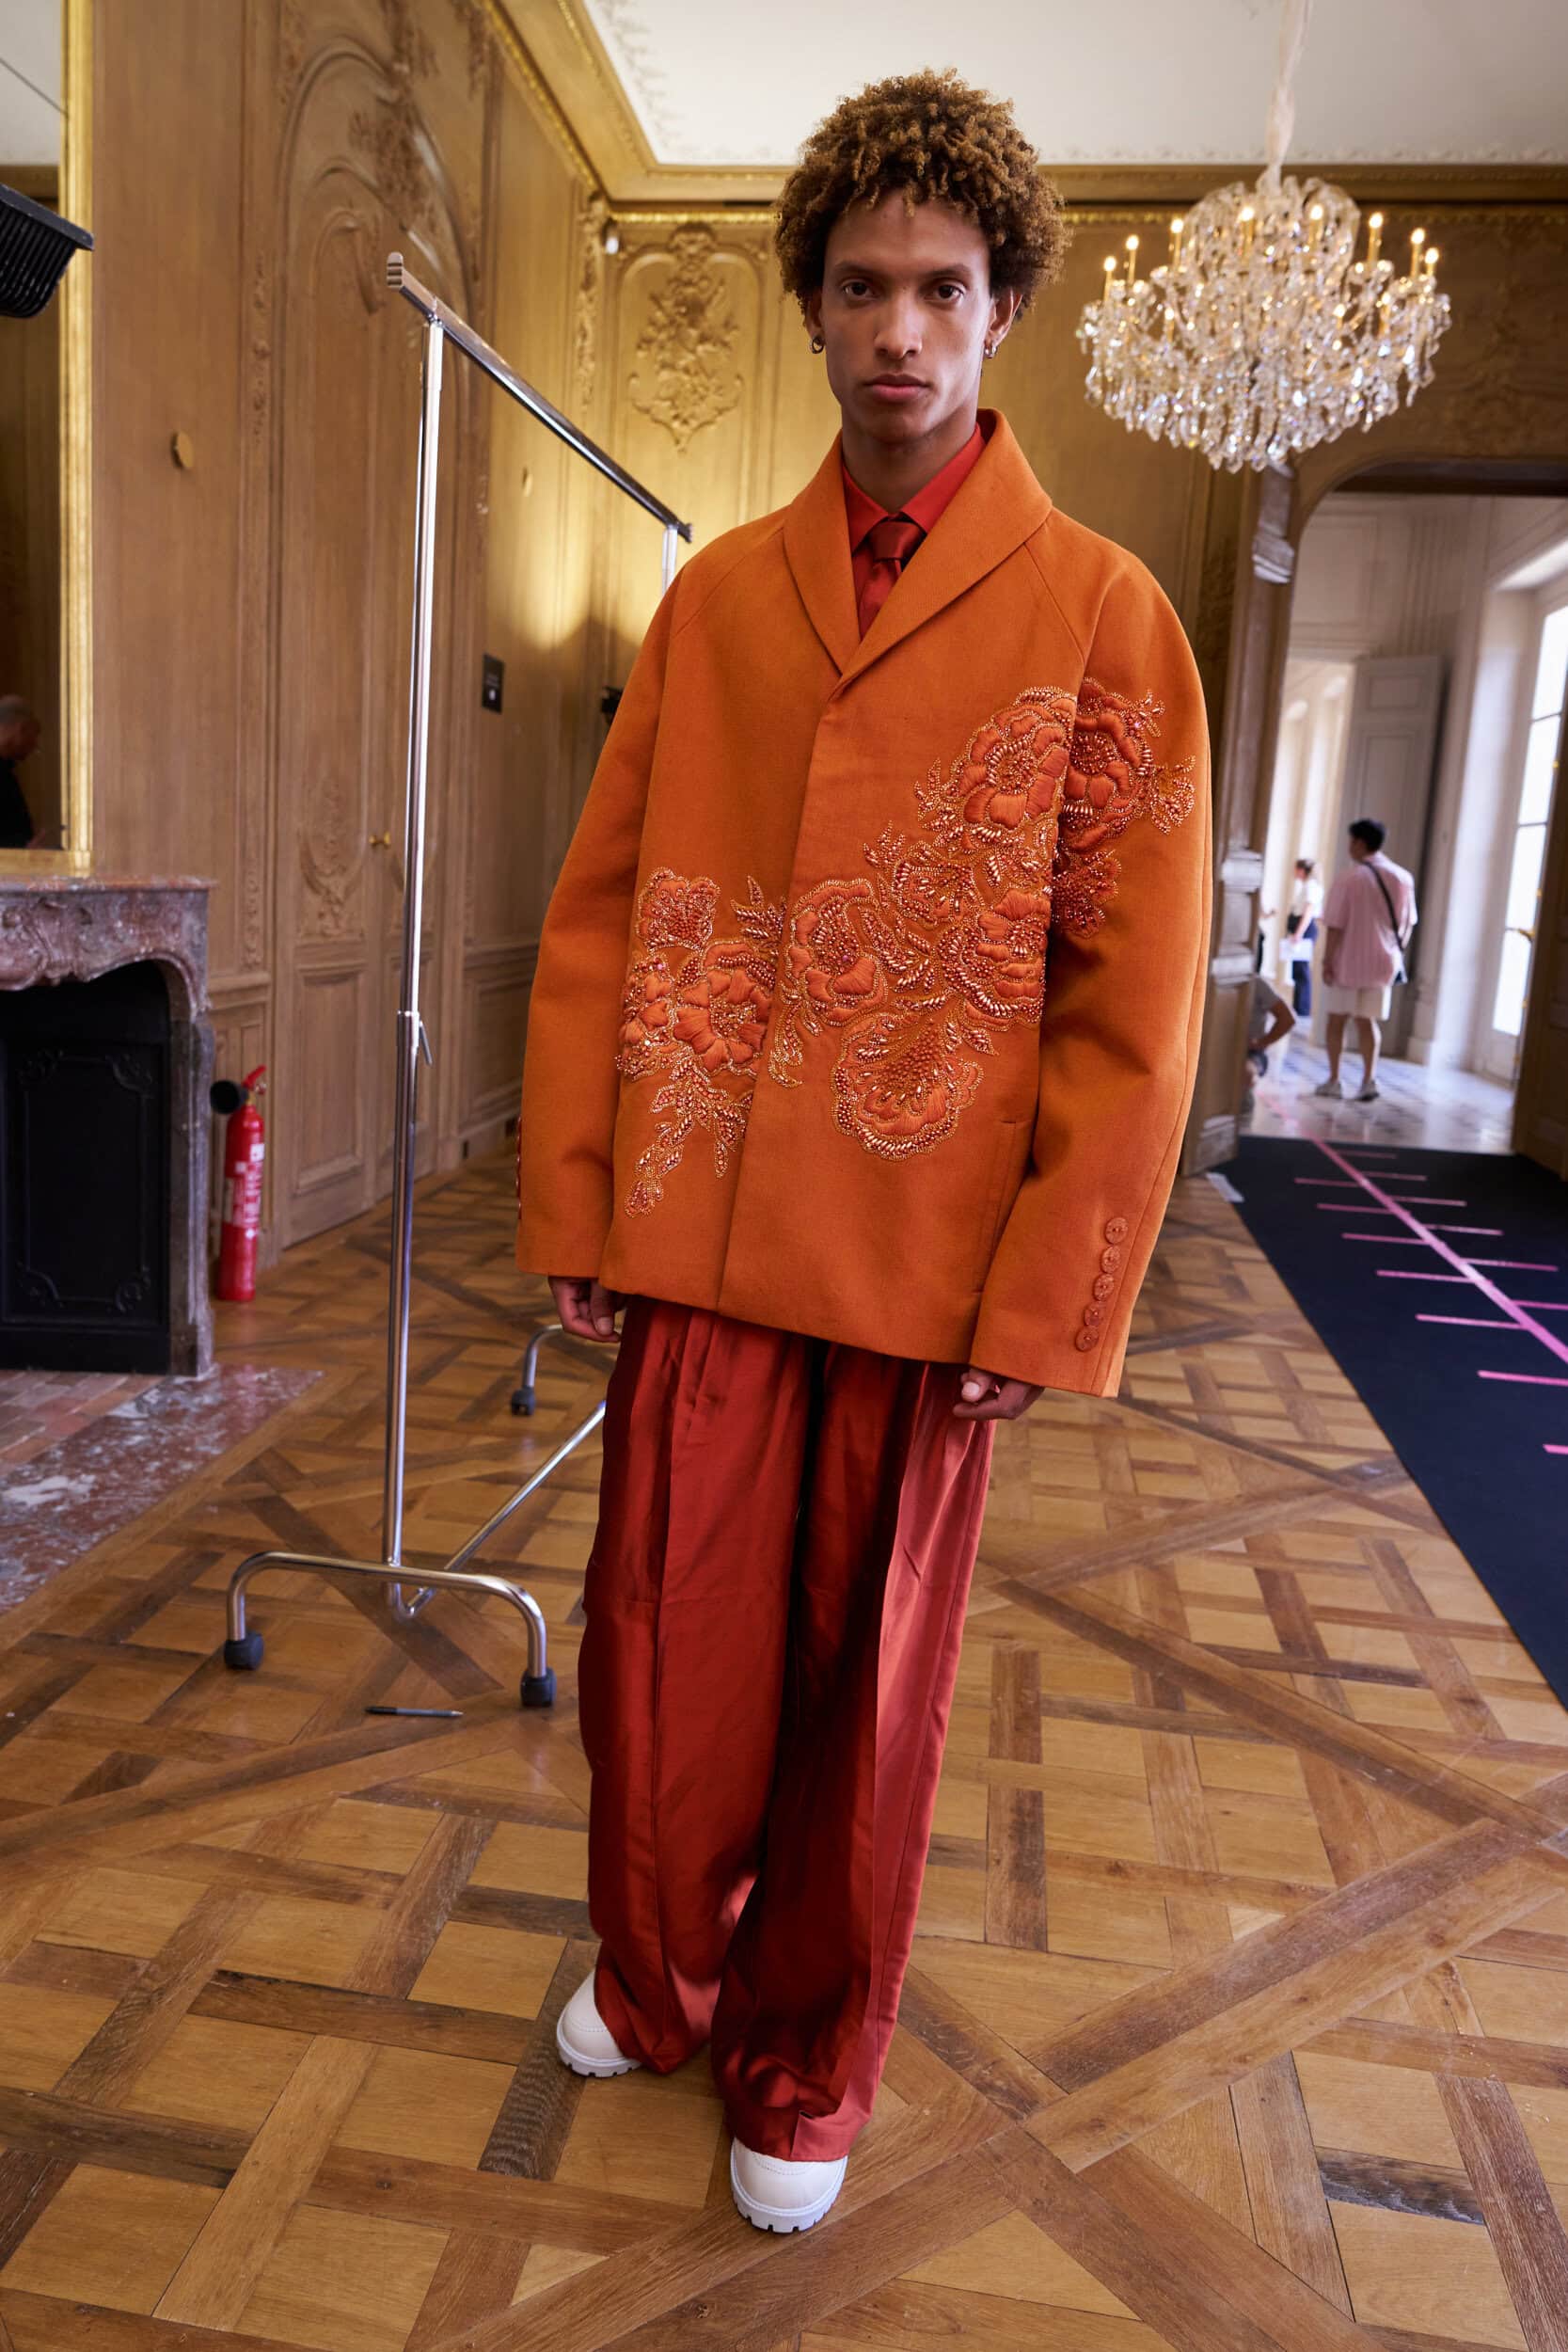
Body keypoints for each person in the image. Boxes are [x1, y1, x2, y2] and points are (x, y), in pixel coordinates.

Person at [515, 70, 1212, 2235]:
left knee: (865, 1699)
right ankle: (659, 1970)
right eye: (858, 287)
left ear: (1002, 307)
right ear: (813, 308)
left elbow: (1133, 998)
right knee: (656, 1651)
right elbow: (605, 909)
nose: (896, 327)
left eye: (939, 287)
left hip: (926, 1268)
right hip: (706, 1235)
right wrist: (572, 1191)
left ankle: (807, 2056)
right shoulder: (718, 598)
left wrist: (1048, 1292)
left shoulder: (1104, 617)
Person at [1315, 818, 1417, 1102]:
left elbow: (1335, 924)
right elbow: (1408, 924)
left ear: (1359, 842)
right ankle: (1369, 1079)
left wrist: (1327, 960)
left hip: (1348, 961)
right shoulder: (1402, 878)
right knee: (1367, 1022)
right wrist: (1395, 953)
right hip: (1384, 963)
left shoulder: (1349, 878)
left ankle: (1334, 1080)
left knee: (1336, 1021)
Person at [1243, 970, 1295, 1116]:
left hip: (1251, 1053)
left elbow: (1287, 1018)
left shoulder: (1257, 984)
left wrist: (1261, 1042)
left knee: (1245, 1071)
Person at [1276, 855, 1323, 1016]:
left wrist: (1299, 933)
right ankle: (1298, 1006)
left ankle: (1302, 1009)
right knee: (1298, 969)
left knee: (1301, 970)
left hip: (1304, 930)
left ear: (1302, 870)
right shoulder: (1308, 887)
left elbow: (1308, 912)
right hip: (1302, 929)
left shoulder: (1311, 887)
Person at [0, 697, 40, 850]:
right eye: (34, 735)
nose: (35, 745)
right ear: (21, 729)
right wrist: (24, 848)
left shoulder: (6, 770)